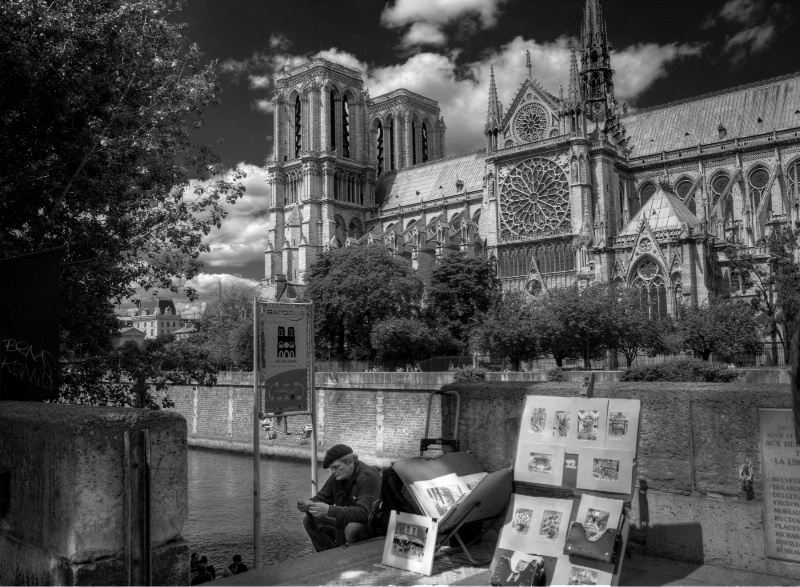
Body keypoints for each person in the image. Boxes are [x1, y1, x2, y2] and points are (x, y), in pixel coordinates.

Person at [297, 444, 381, 552]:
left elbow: (365, 513)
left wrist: (329, 510)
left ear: (350, 462)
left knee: (351, 530)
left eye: (336, 467)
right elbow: (322, 498)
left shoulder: (368, 477)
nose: (333, 472)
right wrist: (308, 503)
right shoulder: (337, 477)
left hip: (371, 525)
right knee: (309, 521)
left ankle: (354, 557)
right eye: (331, 468)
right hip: (347, 520)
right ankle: (328, 555)